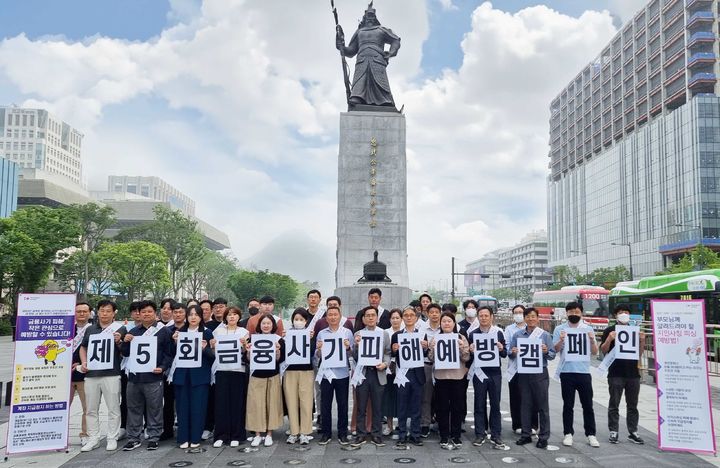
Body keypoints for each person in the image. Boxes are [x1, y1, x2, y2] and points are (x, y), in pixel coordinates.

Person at [121, 300, 173, 451]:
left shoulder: (163, 331)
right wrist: (125, 342)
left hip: (153, 377)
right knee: (133, 408)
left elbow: (169, 353)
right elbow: (125, 353)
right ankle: (133, 437)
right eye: (143, 312)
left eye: (149, 311)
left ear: (155, 313)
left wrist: (162, 367)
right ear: (139, 314)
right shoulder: (133, 332)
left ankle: (154, 436)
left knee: (155, 408)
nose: (146, 314)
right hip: (135, 377)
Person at [79, 300, 127, 452]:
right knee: (91, 409)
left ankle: (112, 437)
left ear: (114, 313)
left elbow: (125, 351)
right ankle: (93, 438)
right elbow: (83, 347)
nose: (104, 313)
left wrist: (119, 341)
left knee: (113, 408)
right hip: (92, 374)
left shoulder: (120, 328)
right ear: (97, 312)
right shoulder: (90, 329)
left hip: (111, 374)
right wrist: (84, 362)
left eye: (108, 311)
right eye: (102, 310)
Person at [553, 301, 600, 448]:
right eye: (571, 312)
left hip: (584, 372)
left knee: (588, 405)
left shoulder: (587, 328)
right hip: (566, 372)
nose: (574, 314)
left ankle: (591, 434)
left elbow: (594, 352)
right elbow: (555, 350)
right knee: (568, 405)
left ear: (581, 313)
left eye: (577, 312)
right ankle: (568, 433)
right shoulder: (560, 329)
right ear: (566, 313)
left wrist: (592, 340)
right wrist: (561, 340)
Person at [335, 5, 401, 108]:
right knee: (360, 79)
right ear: (364, 18)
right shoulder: (359, 32)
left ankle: (384, 100)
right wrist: (341, 46)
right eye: (368, 16)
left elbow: (395, 40)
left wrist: (391, 52)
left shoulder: (381, 30)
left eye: (372, 16)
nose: (370, 18)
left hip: (377, 59)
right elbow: (351, 50)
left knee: (380, 81)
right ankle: (357, 97)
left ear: (375, 18)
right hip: (362, 59)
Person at [169, 304, 215, 449]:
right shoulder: (179, 332)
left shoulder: (207, 333)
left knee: (198, 407)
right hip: (182, 375)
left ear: (201, 316)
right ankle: (183, 438)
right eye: (190, 314)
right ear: (186, 317)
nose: (193, 317)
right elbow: (171, 354)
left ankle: (195, 437)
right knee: (182, 408)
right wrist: (175, 342)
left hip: (199, 376)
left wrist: (205, 348)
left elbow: (213, 357)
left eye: (196, 314)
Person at [509, 307, 555, 449]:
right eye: (527, 316)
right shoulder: (517, 335)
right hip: (523, 373)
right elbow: (510, 353)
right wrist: (513, 352)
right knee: (525, 404)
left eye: (533, 316)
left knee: (542, 406)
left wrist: (546, 351)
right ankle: (526, 434)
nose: (530, 319)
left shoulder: (545, 335)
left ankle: (544, 436)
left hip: (540, 373)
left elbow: (552, 354)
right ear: (524, 318)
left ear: (537, 318)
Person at [600, 305, 644, 445]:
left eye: (626, 312)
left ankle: (633, 432)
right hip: (615, 373)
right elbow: (604, 351)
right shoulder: (609, 330)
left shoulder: (634, 331)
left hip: (633, 373)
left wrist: (642, 340)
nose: (624, 314)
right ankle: (614, 431)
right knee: (614, 403)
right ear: (615, 315)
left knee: (633, 405)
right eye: (620, 312)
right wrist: (609, 339)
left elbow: (639, 354)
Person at [428, 312, 470, 449]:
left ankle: (456, 435)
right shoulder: (436, 338)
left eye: (449, 321)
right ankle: (444, 435)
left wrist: (461, 348)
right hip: (441, 377)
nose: (446, 323)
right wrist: (433, 348)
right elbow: (431, 359)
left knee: (457, 407)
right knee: (442, 408)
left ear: (454, 324)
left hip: (458, 377)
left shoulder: (461, 337)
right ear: (440, 324)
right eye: (444, 321)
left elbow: (466, 358)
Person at [468, 306, 507, 449]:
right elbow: (469, 357)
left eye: (486, 315)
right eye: (481, 316)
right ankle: (480, 433)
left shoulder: (498, 333)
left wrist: (501, 348)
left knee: (495, 404)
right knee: (479, 403)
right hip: (479, 373)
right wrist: (471, 351)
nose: (483, 318)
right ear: (478, 317)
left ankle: (496, 434)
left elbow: (504, 354)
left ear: (492, 317)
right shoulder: (472, 334)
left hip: (495, 373)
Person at [351, 306, 391, 447]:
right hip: (362, 372)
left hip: (378, 372)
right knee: (361, 406)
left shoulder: (383, 333)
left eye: (373, 315)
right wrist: (355, 346)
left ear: (377, 317)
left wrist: (385, 364)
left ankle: (376, 434)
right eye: (367, 315)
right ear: (363, 318)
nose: (370, 318)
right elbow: (354, 356)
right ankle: (360, 434)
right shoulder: (358, 334)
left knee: (377, 406)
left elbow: (388, 352)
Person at [316, 306, 355, 445]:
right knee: (325, 404)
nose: (332, 317)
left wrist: (348, 347)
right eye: (330, 315)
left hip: (342, 373)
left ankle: (342, 433)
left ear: (340, 316)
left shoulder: (347, 332)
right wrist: (319, 349)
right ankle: (326, 433)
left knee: (343, 404)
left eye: (335, 314)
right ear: (326, 318)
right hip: (326, 373)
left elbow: (352, 354)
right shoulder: (321, 333)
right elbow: (317, 355)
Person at [211, 306, 249, 447]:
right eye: (229, 315)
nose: (232, 317)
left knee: (237, 403)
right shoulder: (218, 332)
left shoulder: (244, 332)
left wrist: (245, 346)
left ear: (239, 317)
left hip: (238, 370)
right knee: (221, 403)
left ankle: (236, 435)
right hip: (222, 370)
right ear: (225, 317)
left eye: (235, 314)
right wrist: (213, 346)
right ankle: (221, 435)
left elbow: (246, 353)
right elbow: (214, 353)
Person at [391, 306, 428, 447]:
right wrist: (395, 350)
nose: (408, 317)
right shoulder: (397, 335)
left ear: (416, 317)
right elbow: (394, 355)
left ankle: (415, 434)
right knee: (402, 406)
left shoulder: (421, 334)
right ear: (402, 318)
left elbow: (425, 355)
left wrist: (425, 347)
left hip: (417, 374)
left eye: (411, 315)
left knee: (416, 406)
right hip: (403, 374)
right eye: (405, 315)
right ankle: (402, 434)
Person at [246, 315, 284, 447]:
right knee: (256, 405)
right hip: (256, 376)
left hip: (272, 376)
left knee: (272, 405)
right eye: (263, 323)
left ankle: (269, 434)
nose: (266, 325)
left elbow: (281, 359)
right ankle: (257, 434)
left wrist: (278, 351)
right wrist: (248, 352)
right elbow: (247, 360)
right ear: (259, 325)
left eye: (268, 323)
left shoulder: (279, 340)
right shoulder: (252, 339)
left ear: (273, 325)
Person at [283, 308, 316, 445]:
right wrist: (283, 340)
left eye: (301, 319)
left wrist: (312, 340)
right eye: (296, 319)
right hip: (290, 372)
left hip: (306, 371)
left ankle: (305, 432)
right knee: (291, 402)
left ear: (306, 321)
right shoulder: (287, 335)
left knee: (306, 402)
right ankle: (293, 431)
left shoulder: (310, 335)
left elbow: (313, 353)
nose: (298, 322)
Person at [504, 305, 537, 435]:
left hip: (531, 367)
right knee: (516, 397)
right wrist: (512, 351)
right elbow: (507, 348)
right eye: (516, 312)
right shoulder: (509, 329)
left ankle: (533, 424)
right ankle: (517, 424)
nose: (518, 315)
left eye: (521, 312)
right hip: (515, 368)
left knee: (532, 397)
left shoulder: (536, 330)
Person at [161, 302, 187, 441]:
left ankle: (184, 428)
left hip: (185, 370)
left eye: (181, 312)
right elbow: (165, 351)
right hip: (169, 371)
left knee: (183, 401)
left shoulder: (190, 330)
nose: (177, 315)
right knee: (168, 401)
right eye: (175, 312)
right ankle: (167, 429)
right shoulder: (166, 330)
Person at [120, 301, 142, 440]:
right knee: (126, 399)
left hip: (146, 369)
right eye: (134, 311)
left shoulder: (154, 329)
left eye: (141, 311)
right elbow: (121, 351)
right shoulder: (125, 328)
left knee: (146, 400)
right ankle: (124, 426)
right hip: (127, 367)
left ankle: (144, 427)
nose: (138, 314)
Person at [420, 303, 442, 437]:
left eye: (436, 312)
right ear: (427, 313)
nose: (434, 314)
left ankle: (441, 422)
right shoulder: (421, 329)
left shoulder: (445, 327)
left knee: (441, 397)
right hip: (426, 365)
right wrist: (425, 346)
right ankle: (425, 424)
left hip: (442, 367)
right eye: (431, 312)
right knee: (426, 397)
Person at [72, 302, 92, 445]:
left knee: (87, 407)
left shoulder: (93, 330)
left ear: (90, 313)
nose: (82, 314)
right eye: (79, 311)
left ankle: (85, 433)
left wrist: (81, 364)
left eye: (85, 311)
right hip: (64, 375)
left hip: (84, 375)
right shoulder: (65, 328)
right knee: (62, 406)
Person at [382, 308, 403, 439]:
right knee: (388, 398)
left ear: (401, 319)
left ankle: (402, 425)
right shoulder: (385, 333)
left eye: (397, 318)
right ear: (389, 319)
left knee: (402, 397)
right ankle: (389, 425)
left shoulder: (407, 333)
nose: (395, 320)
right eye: (393, 318)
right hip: (388, 369)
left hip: (403, 369)